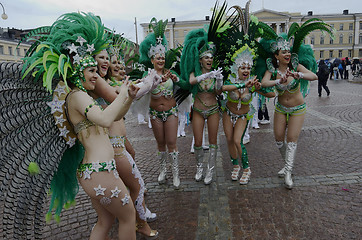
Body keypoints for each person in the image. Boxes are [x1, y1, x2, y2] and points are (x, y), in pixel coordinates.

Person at [2, 12, 138, 239]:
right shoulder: (77, 96)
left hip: (95, 172)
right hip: (100, 171)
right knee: (128, 217)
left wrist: (128, 98)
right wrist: (122, 93)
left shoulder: (82, 96)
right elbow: (105, 119)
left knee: (105, 222)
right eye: (92, 71)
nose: (96, 76)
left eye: (96, 70)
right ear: (78, 72)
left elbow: (113, 116)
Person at [92, 46, 159, 238]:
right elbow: (119, 97)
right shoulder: (97, 82)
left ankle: (135, 220)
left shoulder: (102, 81)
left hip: (117, 144)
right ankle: (142, 225)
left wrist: (144, 84)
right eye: (101, 58)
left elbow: (122, 93)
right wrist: (148, 84)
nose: (105, 62)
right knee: (137, 186)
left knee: (111, 209)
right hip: (113, 147)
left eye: (108, 58)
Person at [261, 36, 319, 189]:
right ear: (276, 55)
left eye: (288, 51)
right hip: (280, 108)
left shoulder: (296, 66)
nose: (287, 54)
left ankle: (288, 173)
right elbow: (264, 83)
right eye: (283, 52)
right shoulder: (272, 70)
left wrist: (298, 75)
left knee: (292, 140)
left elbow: (314, 76)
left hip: (297, 109)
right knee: (279, 140)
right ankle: (287, 165)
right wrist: (278, 81)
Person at [221, 45, 274, 184]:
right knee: (229, 139)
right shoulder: (231, 79)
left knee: (238, 140)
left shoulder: (253, 83)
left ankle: (246, 169)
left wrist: (259, 88)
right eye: (243, 68)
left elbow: (272, 94)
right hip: (228, 113)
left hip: (243, 116)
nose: (246, 70)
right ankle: (235, 165)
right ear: (237, 69)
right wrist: (241, 85)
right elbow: (223, 88)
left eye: (248, 68)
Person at [139, 18, 181, 189]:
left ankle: (176, 173)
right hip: (155, 114)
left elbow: (182, 84)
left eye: (163, 57)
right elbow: (142, 89)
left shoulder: (171, 74)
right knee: (160, 143)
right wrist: (153, 82)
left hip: (171, 112)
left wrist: (176, 79)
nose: (161, 60)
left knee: (172, 142)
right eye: (158, 58)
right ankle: (163, 170)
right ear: (152, 60)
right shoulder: (148, 76)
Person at [180, 28, 224, 185]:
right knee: (198, 142)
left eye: (211, 57)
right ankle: (199, 168)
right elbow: (191, 81)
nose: (209, 60)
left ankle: (210, 170)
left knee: (213, 142)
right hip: (198, 110)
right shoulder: (194, 73)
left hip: (213, 110)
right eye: (206, 57)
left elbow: (218, 92)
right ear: (200, 60)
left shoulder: (216, 73)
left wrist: (218, 80)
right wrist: (205, 75)